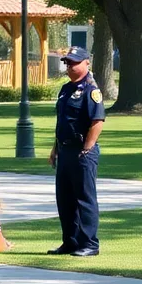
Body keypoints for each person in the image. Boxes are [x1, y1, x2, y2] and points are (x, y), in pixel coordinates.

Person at [47, 46, 106, 257]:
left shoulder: (91, 90)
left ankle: (89, 243)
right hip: (65, 150)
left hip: (82, 151)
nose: (70, 66)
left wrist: (87, 148)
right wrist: (55, 149)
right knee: (65, 198)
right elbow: (62, 122)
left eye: (74, 62)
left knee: (84, 199)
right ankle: (70, 241)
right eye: (68, 62)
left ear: (86, 62)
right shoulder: (66, 89)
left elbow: (97, 121)